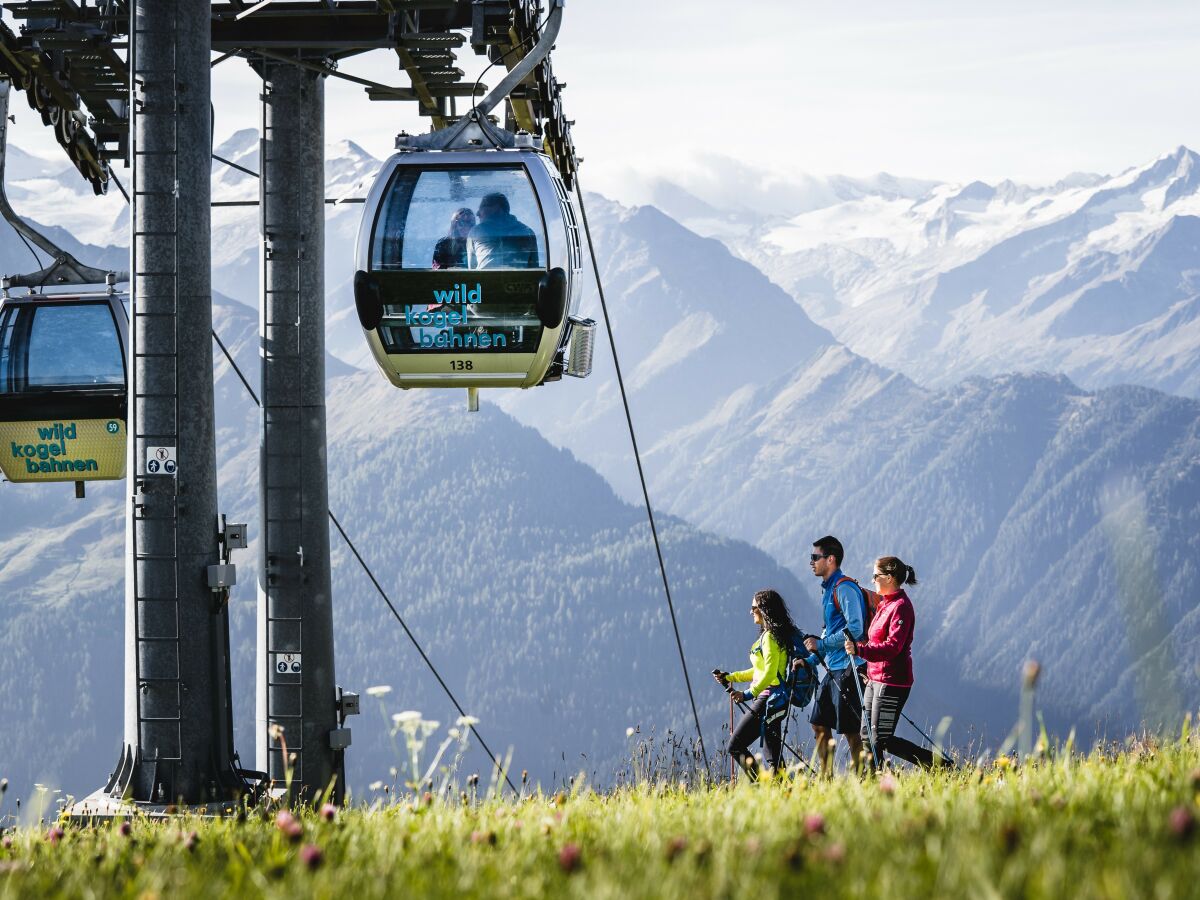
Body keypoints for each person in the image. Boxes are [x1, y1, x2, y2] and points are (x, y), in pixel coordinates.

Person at [844, 556, 951, 770]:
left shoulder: (901, 607)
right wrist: (867, 666)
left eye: (876, 575)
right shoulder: (886, 604)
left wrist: (860, 650)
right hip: (875, 678)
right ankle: (873, 784)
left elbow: (893, 647)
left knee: (881, 739)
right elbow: (876, 640)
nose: (872, 579)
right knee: (867, 735)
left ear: (890, 577)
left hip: (892, 681)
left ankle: (939, 766)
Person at [713, 589, 799, 780]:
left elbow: (769, 673)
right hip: (775, 698)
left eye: (754, 607)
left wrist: (747, 694)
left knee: (735, 745)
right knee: (773, 755)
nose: (750, 611)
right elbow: (759, 671)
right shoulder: (772, 635)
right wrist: (731, 677)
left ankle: (763, 786)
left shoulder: (769, 637)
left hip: (769, 697)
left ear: (764, 609)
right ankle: (783, 792)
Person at [804, 535, 868, 774]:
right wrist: (810, 659)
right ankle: (826, 777)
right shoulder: (828, 590)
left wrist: (820, 646)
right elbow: (829, 630)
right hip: (833, 668)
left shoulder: (845, 588)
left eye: (815, 557)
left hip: (851, 666)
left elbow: (855, 629)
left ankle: (862, 779)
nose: (811, 562)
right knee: (819, 724)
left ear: (830, 559)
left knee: (852, 730)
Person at [467, 192, 539, 269]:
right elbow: (534, 268)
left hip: (485, 280)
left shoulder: (476, 232)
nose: (477, 213)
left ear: (496, 208)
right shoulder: (527, 232)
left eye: (482, 207)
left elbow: (472, 270)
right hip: (519, 281)